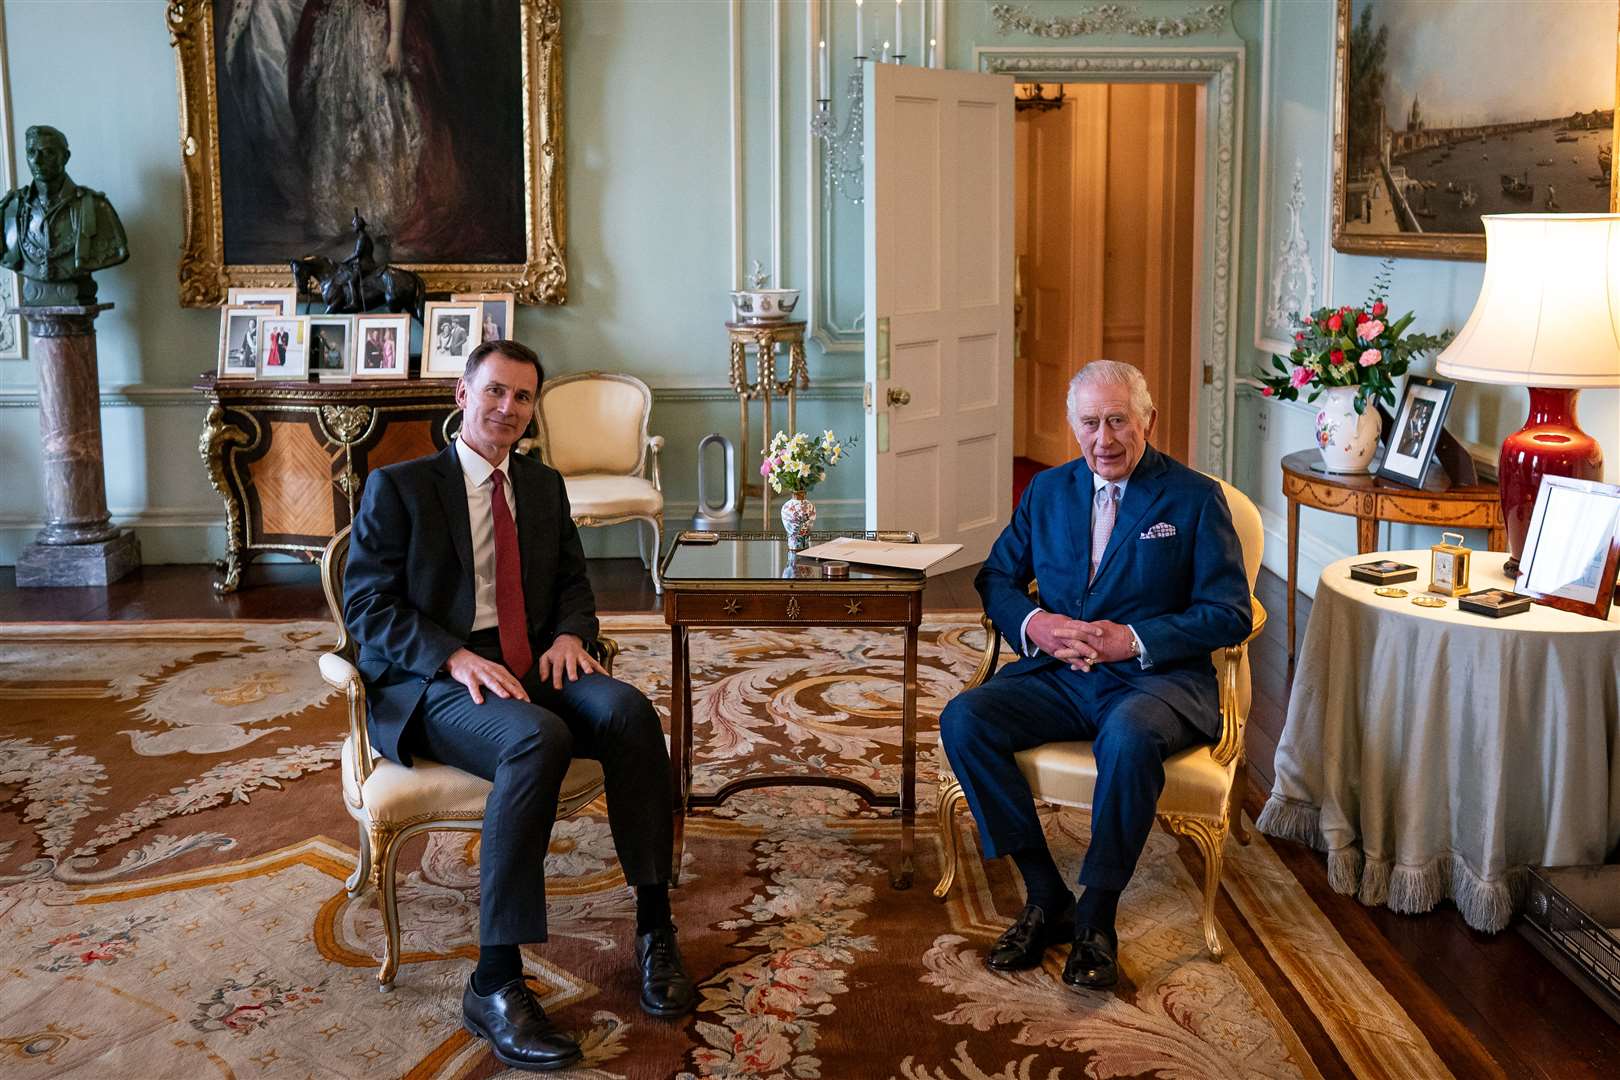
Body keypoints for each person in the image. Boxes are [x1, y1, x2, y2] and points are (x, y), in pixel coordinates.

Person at [343, 339, 695, 1072]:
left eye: (524, 397)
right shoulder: (401, 487)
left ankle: (655, 929)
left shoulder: (541, 486)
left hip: (530, 660)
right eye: (495, 391)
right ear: (461, 396)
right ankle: (494, 980)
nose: (508, 409)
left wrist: (571, 634)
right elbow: (367, 608)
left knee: (631, 714)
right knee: (537, 738)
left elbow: (573, 579)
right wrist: (450, 654)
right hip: (437, 681)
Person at [938, 360, 1250, 991]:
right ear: (1071, 425)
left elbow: (1230, 612)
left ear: (1147, 421)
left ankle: (1097, 919)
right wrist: (1036, 624)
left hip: (1152, 680)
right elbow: (994, 577)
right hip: (1058, 672)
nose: (1104, 440)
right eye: (1090, 423)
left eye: (1117, 421)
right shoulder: (1049, 491)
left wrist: (1131, 639)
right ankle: (1046, 894)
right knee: (964, 718)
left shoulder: (1194, 498)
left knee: (1130, 739)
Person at [0, 125, 129, 305]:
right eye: (31, 152)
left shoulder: (96, 208)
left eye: (47, 152)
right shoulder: (10, 209)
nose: (37, 160)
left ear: (65, 157)